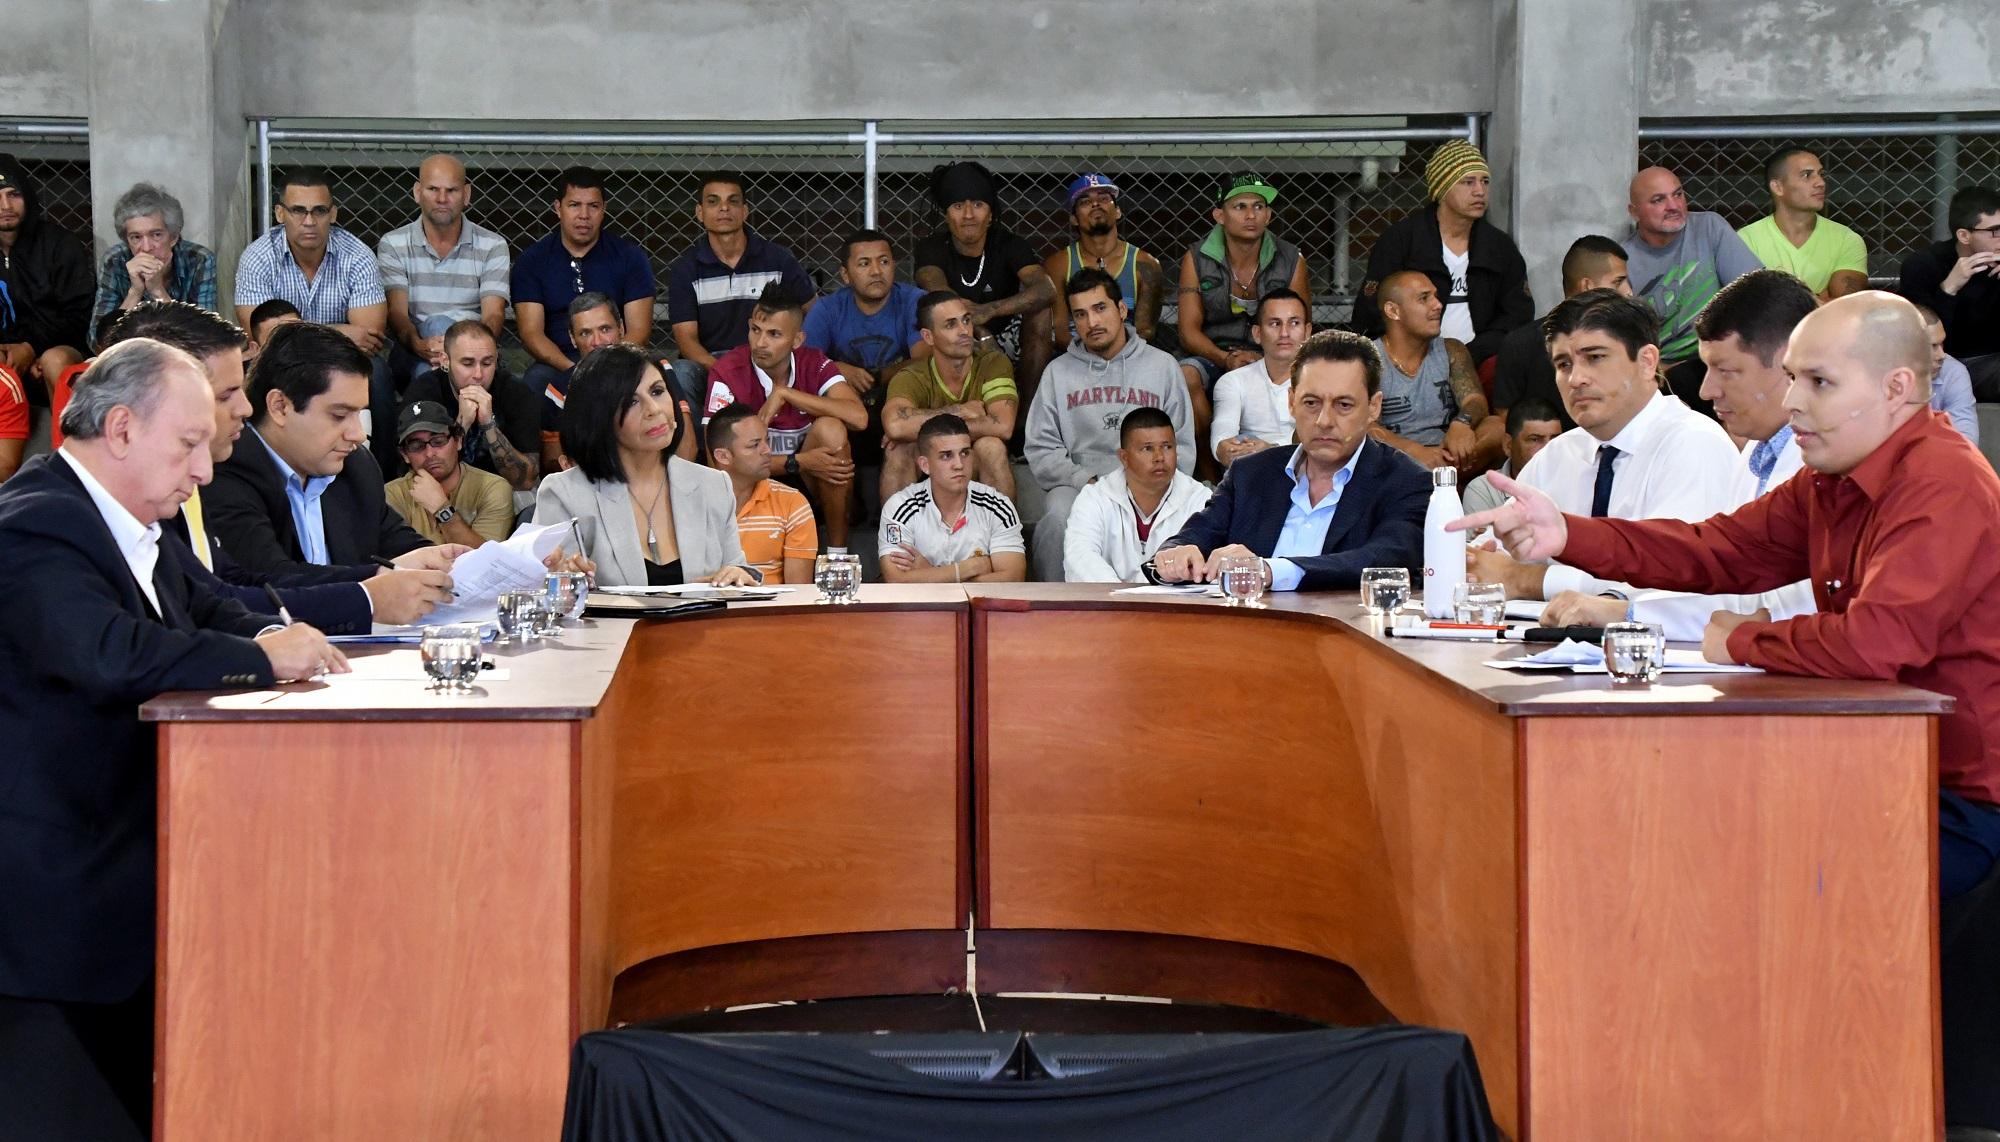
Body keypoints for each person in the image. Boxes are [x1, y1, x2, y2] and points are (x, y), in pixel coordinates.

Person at [1452, 291, 2000, 906]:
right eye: (1793, 378)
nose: (1794, 401)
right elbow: (1715, 549)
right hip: (1877, 760)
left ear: (1897, 388)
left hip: (1961, 796)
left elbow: (1876, 643)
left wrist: (1739, 640)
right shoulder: (1832, 477)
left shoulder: (1943, 484)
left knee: (1749, 879)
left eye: (1819, 382)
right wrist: (1568, 535)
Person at [0, 338, 343, 1139]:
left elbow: (218, 606)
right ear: (120, 429)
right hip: (51, 915)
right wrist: (261, 658)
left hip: (133, 888)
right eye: (189, 444)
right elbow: (111, 653)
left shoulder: (136, 522)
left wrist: (276, 635)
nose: (203, 470)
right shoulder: (36, 523)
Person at [101, 300, 457, 630]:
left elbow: (224, 594)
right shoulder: (220, 470)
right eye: (226, 395)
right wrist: (367, 596)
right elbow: (139, 652)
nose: (243, 408)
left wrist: (433, 566)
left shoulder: (355, 467)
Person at [1539, 269, 1820, 638]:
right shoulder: (1758, 448)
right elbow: (1712, 559)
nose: (1707, 390)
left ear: (1789, 363)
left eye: (1726, 370)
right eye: (1563, 365)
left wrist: (1625, 609)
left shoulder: (1825, 458)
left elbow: (1776, 607)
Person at [1466, 290, 1747, 604]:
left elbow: (1672, 581)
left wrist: (1531, 580)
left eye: (1595, 357)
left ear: (1646, 361)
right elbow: (1488, 565)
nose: (1576, 379)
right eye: (1563, 364)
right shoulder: (1556, 455)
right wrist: (1484, 567)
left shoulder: (1695, 444)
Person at [1153, 330, 1428, 590]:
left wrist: (1269, 571)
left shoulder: (1407, 481)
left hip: (1342, 635)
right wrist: (1178, 553)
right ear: (1291, 402)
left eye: (1344, 405)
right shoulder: (1251, 473)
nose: (1324, 421)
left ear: (1373, 407)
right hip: (1242, 632)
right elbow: (1193, 536)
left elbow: (1383, 561)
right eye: (1311, 403)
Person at [206, 321, 433, 576]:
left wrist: (445, 562)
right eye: (339, 415)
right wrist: (378, 582)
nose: (357, 435)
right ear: (280, 406)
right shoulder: (225, 469)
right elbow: (268, 582)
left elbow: (402, 547)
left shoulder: (357, 466)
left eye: (359, 414)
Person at [533, 344, 758, 588]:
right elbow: (543, 584)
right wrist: (560, 580)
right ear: (599, 416)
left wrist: (738, 575)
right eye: (631, 401)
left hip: (701, 627)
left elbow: (737, 570)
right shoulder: (564, 493)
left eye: (657, 391)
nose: (654, 409)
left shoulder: (714, 485)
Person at [1026, 268, 1194, 582]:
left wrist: (1142, 484)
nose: (1092, 323)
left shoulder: (1163, 367)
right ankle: (1053, 609)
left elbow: (1182, 445)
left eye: (1100, 309)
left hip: (1148, 481)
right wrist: (1085, 480)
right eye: (1080, 314)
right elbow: (1041, 449)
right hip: (1079, 483)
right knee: (1058, 515)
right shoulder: (1057, 373)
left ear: (1121, 309)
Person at [701, 284, 865, 547]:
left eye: (774, 334)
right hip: (755, 485)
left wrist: (786, 394)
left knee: (832, 430)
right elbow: (716, 460)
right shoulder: (727, 371)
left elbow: (859, 418)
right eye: (756, 330)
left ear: (797, 340)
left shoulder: (814, 362)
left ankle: (837, 555)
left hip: (812, 482)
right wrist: (799, 461)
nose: (761, 343)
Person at [1176, 173, 1312, 477]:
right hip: (1214, 352)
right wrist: (1226, 359)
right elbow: (1187, 331)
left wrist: (1268, 356)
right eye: (1239, 207)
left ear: (1269, 214)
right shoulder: (1196, 258)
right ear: (1219, 215)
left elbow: (1299, 322)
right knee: (1186, 376)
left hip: (1272, 348)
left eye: (1259, 206)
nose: (1251, 215)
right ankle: (1209, 477)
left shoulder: (1291, 258)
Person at [1350, 141, 1532, 364]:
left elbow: (1517, 315)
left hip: (1481, 362)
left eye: (1485, 181)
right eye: (1468, 182)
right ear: (1442, 188)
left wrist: (1471, 354)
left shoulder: (1500, 247)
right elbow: (1372, 311)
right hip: (1411, 362)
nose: (1480, 191)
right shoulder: (1401, 241)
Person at [512, 167, 657, 423]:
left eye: (593, 206)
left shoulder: (629, 257)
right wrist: (575, 371)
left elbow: (639, 330)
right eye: (574, 205)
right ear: (558, 208)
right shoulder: (532, 261)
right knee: (535, 380)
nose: (584, 215)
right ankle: (542, 460)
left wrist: (607, 367)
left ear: (604, 209)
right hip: (560, 360)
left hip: (617, 357)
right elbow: (531, 333)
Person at [1622, 165, 1762, 418]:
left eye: (1678, 195)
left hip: (1721, 352)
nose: (1674, 206)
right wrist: (1657, 369)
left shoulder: (1709, 227)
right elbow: (1626, 337)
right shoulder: (1625, 259)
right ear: (1634, 212)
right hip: (1667, 369)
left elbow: (1754, 292)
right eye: (1658, 200)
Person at [667, 171, 816, 403]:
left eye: (733, 201)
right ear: (700, 213)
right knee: (682, 372)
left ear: (745, 211)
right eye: (713, 201)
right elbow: (687, 341)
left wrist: (786, 355)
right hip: (713, 364)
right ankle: (696, 440)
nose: (724, 208)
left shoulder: (778, 259)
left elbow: (813, 313)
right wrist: (725, 372)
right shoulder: (685, 270)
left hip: (771, 359)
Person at [913, 161, 1055, 396]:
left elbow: (1046, 289)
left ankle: (1028, 414)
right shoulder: (931, 248)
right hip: (956, 334)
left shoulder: (1009, 244)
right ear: (946, 215)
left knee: (1041, 313)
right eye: (958, 206)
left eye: (978, 205)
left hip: (1007, 334)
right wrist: (979, 329)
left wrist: (991, 310)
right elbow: (939, 292)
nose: (968, 215)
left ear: (990, 215)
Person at [374, 153, 510, 389]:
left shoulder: (493, 245)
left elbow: (493, 315)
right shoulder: (393, 244)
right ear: (417, 192)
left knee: (430, 367)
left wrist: (460, 351)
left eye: (452, 190)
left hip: (473, 352)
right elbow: (397, 313)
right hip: (413, 349)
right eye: (433, 189)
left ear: (466, 195)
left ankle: (432, 420)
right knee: (435, 329)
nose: (442, 198)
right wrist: (418, 344)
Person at [881, 291, 1018, 501]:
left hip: (972, 460)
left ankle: (1003, 533)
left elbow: (1003, 426)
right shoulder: (911, 376)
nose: (964, 331)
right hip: (929, 466)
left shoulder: (993, 364)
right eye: (950, 325)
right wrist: (958, 412)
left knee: (991, 446)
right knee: (899, 451)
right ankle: (898, 534)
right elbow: (896, 426)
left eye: (966, 320)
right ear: (928, 336)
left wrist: (921, 427)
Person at [1368, 270, 1503, 477]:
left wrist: (1461, 424)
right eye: (1424, 298)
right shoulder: (1367, 358)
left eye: (1436, 296)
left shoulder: (1452, 349)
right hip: (1398, 457)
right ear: (1393, 310)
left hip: (1451, 453)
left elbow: (1475, 399)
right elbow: (1362, 424)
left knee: (1496, 427)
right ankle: (1438, 475)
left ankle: (1440, 473)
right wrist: (1415, 452)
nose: (1438, 305)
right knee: (1365, 436)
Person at [1491, 234, 1633, 432]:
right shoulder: (1520, 344)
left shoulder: (1628, 341)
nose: (1628, 292)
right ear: (1588, 286)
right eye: (1618, 282)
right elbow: (1506, 420)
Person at [803, 228, 928, 449]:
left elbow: (925, 360)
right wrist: (835, 367)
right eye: (864, 263)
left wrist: (878, 376)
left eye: (884, 262)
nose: (876, 271)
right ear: (845, 274)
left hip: (902, 400)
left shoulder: (913, 301)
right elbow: (803, 364)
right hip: (846, 409)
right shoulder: (827, 308)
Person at [1064, 407, 1212, 582]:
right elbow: (1080, 557)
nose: (1159, 457)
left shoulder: (1200, 499)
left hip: (1176, 604)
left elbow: (1208, 565)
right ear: (1124, 457)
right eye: (1147, 449)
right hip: (1111, 604)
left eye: (1167, 447)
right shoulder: (1095, 498)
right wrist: (1121, 600)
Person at [878, 412, 1026, 583]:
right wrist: (971, 567)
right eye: (946, 456)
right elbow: (896, 580)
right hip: (920, 610)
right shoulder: (899, 507)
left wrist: (931, 575)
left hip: (978, 608)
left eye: (965, 453)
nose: (959, 465)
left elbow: (1013, 579)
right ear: (925, 465)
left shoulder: (997, 505)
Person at [401, 320, 542, 491]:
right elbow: (418, 476)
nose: (478, 374)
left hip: (501, 490)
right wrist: (461, 425)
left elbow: (525, 482)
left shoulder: (515, 392)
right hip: (442, 491)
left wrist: (489, 425)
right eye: (467, 364)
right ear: (445, 361)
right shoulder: (424, 395)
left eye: (487, 363)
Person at [0, 154, 94, 405]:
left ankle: (67, 444)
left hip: (59, 349)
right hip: (7, 355)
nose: (5, 206)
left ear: (27, 198)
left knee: (55, 359)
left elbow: (79, 315)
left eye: (13, 194)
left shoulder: (60, 245)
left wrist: (31, 349)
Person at [1898, 186, 2000, 401]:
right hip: (1946, 363)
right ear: (1964, 235)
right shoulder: (1924, 265)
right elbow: (1920, 339)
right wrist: (1949, 289)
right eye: (1995, 231)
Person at [1043, 173, 1166, 350]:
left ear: (1117, 211)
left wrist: (1112, 357)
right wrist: (1092, 356)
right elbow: (1060, 333)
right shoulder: (1058, 265)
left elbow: (1145, 331)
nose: (1095, 204)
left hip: (1128, 356)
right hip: (1076, 355)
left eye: (1103, 198)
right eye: (1085, 202)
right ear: (1074, 219)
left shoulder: (1146, 264)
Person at [91, 182, 219, 346]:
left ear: (173, 237)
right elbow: (97, 342)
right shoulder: (114, 260)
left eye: (156, 235)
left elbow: (204, 339)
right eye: (136, 237)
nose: (146, 248)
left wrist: (158, 290)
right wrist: (135, 292)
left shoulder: (200, 260)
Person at [705, 402, 818, 585]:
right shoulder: (689, 503)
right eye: (754, 445)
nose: (767, 450)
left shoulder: (792, 503)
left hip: (770, 611)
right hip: (707, 610)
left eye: (766, 440)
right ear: (723, 456)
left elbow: (798, 594)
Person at [1736, 148, 1869, 301]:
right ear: (1778, 187)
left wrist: (1780, 300)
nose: (1820, 183)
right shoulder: (1746, 239)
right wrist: (1819, 298)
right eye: (1807, 175)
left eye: (1821, 174)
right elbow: (1749, 305)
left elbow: (1845, 306)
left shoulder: (1847, 239)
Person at [384, 400, 514, 547]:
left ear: (458, 441)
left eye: (438, 441)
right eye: (416, 446)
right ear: (405, 455)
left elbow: (485, 560)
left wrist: (442, 509)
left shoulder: (493, 488)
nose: (429, 453)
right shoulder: (391, 495)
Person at [1211, 288, 1308, 467]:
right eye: (1274, 324)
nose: (1284, 333)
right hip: (1253, 468)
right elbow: (1223, 437)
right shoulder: (1234, 381)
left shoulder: (1324, 383)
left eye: (1294, 323)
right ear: (1257, 333)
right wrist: (1225, 448)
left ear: (1307, 331)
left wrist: (1270, 449)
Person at [1460, 397, 1563, 517]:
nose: (1547, 449)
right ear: (1508, 445)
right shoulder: (1484, 489)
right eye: (1535, 439)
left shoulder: (1577, 479)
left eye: (1555, 439)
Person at [1916, 303, 1981, 444]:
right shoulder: (1873, 374)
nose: (1942, 355)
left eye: (1942, 344)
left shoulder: (1953, 372)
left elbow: (1965, 443)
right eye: (1932, 346)